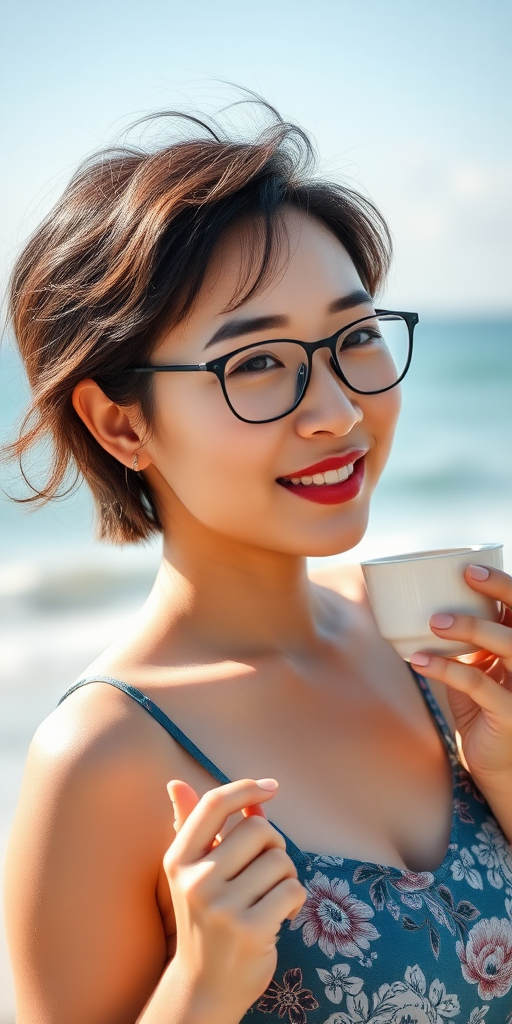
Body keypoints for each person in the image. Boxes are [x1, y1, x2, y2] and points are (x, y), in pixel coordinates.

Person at [4, 104, 512, 1024]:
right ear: (122, 423)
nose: (338, 412)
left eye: (356, 338)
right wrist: (199, 990)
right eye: (260, 362)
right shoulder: (104, 760)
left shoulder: (434, 638)